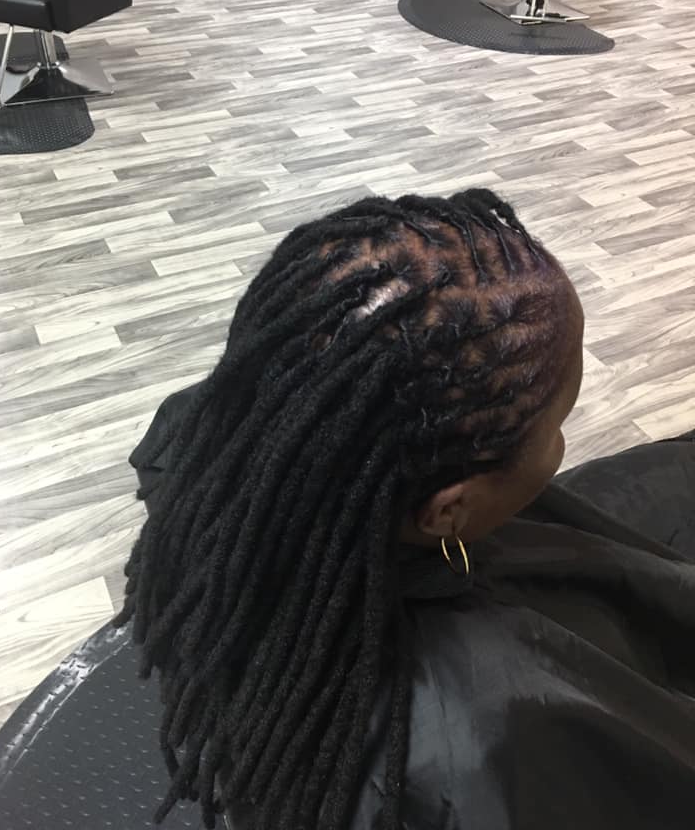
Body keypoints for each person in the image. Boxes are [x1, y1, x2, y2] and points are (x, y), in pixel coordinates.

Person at [115, 188, 695, 830]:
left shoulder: (211, 445)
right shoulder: (485, 725)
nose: (562, 440)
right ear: (449, 513)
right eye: (558, 424)